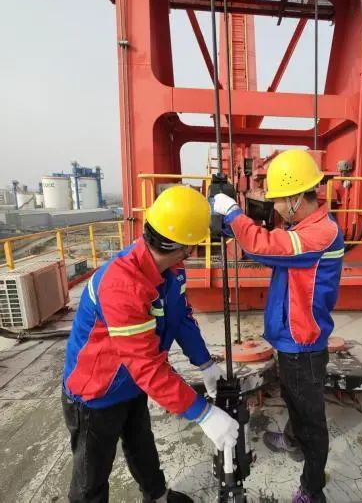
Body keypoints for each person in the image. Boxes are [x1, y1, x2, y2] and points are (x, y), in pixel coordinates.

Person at [62, 185, 239, 503]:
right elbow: (146, 366)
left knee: (141, 445)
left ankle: (156, 496)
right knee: (91, 481)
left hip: (132, 384)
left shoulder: (171, 267)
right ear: (184, 246)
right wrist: (203, 413)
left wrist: (204, 362)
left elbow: (180, 318)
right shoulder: (123, 284)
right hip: (96, 393)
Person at [213, 149, 344, 503]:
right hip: (290, 340)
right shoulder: (302, 228)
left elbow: (262, 245)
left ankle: (312, 490)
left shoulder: (320, 234)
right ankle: (291, 439)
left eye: (278, 200)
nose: (276, 207)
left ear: (295, 197)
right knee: (293, 398)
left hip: (303, 345)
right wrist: (230, 222)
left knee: (311, 420)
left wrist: (234, 213)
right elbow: (265, 245)